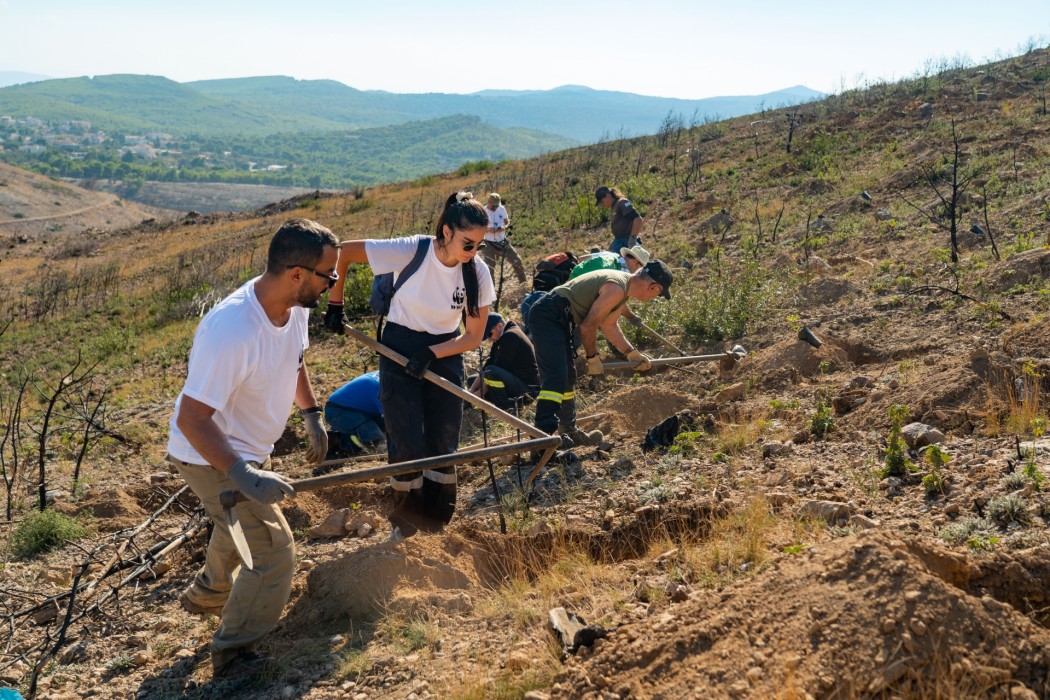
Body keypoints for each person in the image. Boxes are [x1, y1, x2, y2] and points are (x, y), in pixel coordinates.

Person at [166, 219, 337, 680]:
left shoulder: (294, 305)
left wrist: (310, 412)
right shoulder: (233, 329)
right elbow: (192, 419)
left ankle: (208, 593)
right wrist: (242, 475)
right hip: (209, 454)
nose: (333, 284)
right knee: (273, 551)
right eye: (329, 276)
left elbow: (294, 358)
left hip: (247, 450)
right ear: (297, 273)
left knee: (235, 523)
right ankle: (233, 655)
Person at [336, 192, 495, 541]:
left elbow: (473, 336)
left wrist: (433, 353)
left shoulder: (477, 273)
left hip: (447, 349)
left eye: (479, 245)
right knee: (405, 439)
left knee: (443, 441)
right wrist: (335, 304)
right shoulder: (413, 250)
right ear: (448, 231)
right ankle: (405, 527)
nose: (473, 253)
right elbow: (345, 251)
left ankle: (436, 525)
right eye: (468, 243)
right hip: (398, 346)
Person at [527, 260, 673, 447]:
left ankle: (568, 431)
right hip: (549, 314)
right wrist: (592, 357)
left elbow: (609, 325)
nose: (655, 297)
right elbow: (588, 326)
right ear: (654, 287)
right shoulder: (616, 289)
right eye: (659, 294)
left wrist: (631, 353)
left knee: (568, 377)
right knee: (555, 379)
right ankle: (541, 442)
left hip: (558, 316)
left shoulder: (622, 288)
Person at [467, 312, 539, 411]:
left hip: (526, 389)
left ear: (499, 326)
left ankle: (508, 408)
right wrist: (470, 392)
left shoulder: (511, 336)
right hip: (513, 381)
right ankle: (503, 404)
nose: (490, 338)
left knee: (491, 372)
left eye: (490, 334)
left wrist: (477, 396)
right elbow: (489, 364)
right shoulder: (501, 337)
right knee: (472, 380)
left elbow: (495, 370)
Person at [324, 370, 385, 457]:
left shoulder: (385, 374)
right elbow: (392, 417)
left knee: (384, 427)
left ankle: (338, 439)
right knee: (376, 438)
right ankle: (378, 452)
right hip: (338, 411)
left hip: (357, 410)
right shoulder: (381, 387)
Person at [480, 193, 527, 285]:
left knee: (516, 260)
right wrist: (489, 230)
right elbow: (480, 227)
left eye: (496, 205)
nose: (495, 208)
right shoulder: (483, 212)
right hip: (488, 243)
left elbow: (507, 222)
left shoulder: (501, 209)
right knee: (490, 268)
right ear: (489, 202)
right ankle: (492, 293)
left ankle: (523, 283)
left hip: (502, 241)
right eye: (493, 206)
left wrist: (504, 227)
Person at [595, 185, 644, 253]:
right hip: (619, 241)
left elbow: (638, 219)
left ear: (608, 196)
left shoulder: (622, 202)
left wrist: (632, 239)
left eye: (602, 202)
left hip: (627, 241)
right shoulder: (614, 206)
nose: (602, 205)